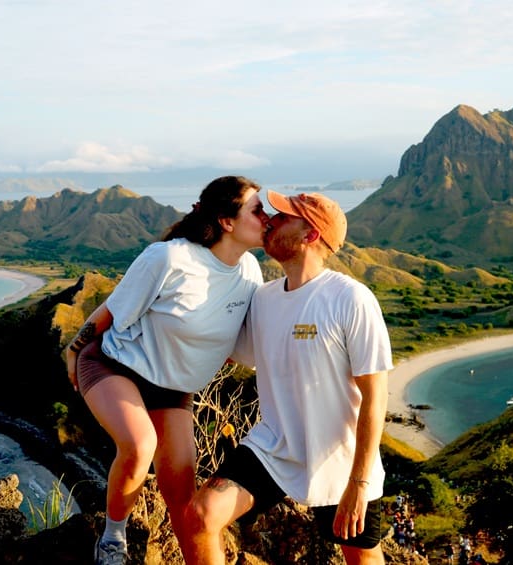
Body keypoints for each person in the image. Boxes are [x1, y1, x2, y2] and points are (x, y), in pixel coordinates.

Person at [65, 175, 269, 564]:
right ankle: (112, 539)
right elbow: (113, 308)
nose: (266, 217)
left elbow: (244, 347)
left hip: (173, 389)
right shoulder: (171, 258)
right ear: (227, 222)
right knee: (140, 444)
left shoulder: (249, 274)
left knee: (182, 491)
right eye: (257, 210)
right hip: (114, 366)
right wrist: (74, 350)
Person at [183, 190, 393, 565]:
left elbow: (375, 396)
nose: (270, 222)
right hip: (275, 446)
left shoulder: (351, 299)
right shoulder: (263, 299)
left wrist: (359, 482)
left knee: (360, 556)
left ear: (310, 235)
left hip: (339, 459)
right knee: (201, 515)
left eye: (283, 218)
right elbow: (229, 349)